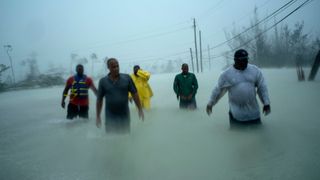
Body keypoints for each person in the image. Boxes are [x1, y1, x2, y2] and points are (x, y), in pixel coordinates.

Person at [206, 49, 271, 128]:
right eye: (241, 60)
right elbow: (217, 90)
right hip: (236, 114)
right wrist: (210, 103)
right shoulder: (226, 74)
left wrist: (266, 103)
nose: (244, 62)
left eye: (246, 60)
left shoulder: (255, 70)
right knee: (237, 137)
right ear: (235, 60)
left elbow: (262, 87)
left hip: (254, 113)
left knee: (257, 135)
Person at [96, 58, 144, 133]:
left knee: (125, 138)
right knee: (111, 139)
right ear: (108, 68)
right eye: (113, 67)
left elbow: (135, 94)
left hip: (124, 116)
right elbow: (99, 99)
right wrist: (98, 116)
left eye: (117, 66)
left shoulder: (127, 78)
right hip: (110, 117)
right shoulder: (103, 81)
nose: (116, 69)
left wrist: (140, 108)